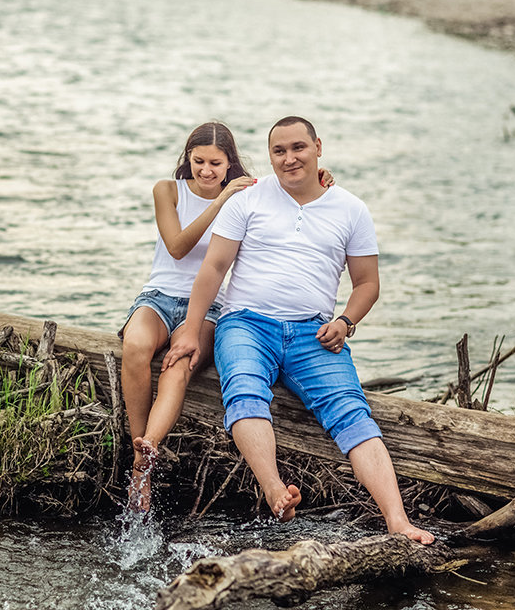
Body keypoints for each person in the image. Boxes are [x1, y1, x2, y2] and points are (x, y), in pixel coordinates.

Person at [163, 116, 434, 544]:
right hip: (246, 324)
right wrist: (191, 330)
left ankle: (398, 522)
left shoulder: (351, 208)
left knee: (352, 413)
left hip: (314, 333)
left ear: (318, 147)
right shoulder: (248, 199)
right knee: (244, 389)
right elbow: (214, 268)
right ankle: (275, 490)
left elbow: (368, 283)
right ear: (269, 156)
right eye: (279, 151)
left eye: (298, 148)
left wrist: (345, 322)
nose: (289, 159)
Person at [120, 121, 331, 513]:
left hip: (208, 308)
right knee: (134, 347)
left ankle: (144, 469)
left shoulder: (246, 191)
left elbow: (293, 187)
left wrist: (322, 178)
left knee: (179, 365)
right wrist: (220, 201)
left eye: (216, 163)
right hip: (159, 297)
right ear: (187, 159)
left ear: (229, 163)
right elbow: (178, 247)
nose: (206, 171)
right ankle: (139, 450)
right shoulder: (168, 190)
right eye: (198, 161)